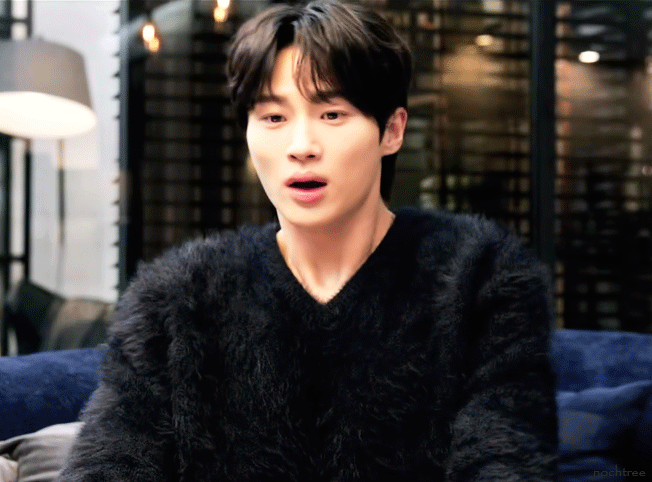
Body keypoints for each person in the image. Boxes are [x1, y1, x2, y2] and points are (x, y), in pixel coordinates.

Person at [57, 0, 557, 481]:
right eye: (273, 118)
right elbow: (109, 464)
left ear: (392, 131)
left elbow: (504, 459)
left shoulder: (479, 280)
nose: (301, 147)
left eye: (331, 114)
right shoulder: (178, 298)